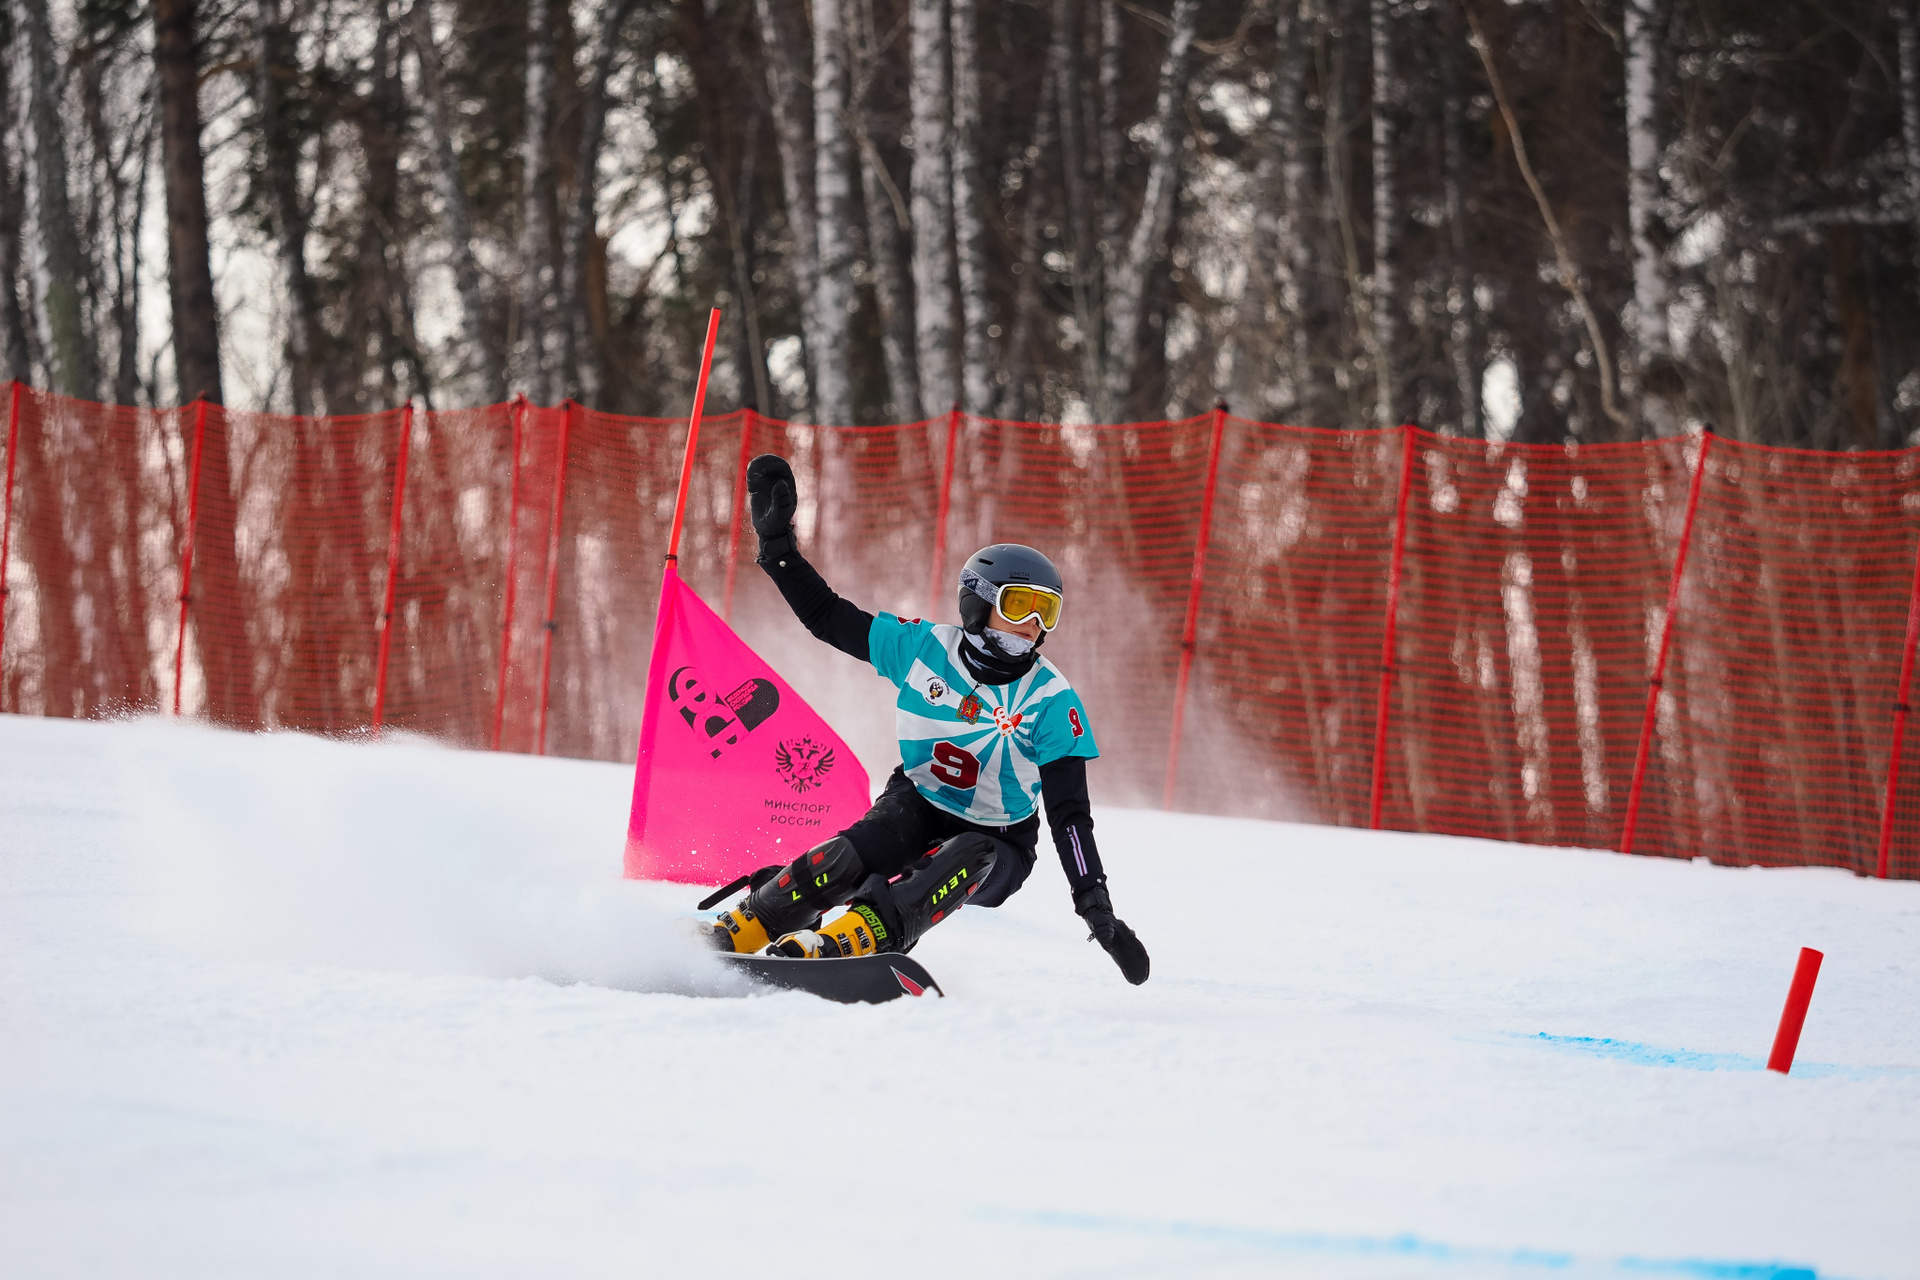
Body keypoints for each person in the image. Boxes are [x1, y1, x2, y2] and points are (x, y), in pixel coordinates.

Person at [705, 454, 1150, 985]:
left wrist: (1094, 904)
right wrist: (779, 550)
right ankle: (749, 924)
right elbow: (828, 617)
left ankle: (857, 936)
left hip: (1001, 841)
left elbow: (1070, 815)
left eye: (1046, 611)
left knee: (967, 854)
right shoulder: (924, 649)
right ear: (979, 603)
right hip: (916, 802)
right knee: (848, 856)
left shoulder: (1053, 700)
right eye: (1020, 605)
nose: (1033, 625)